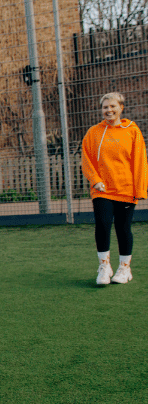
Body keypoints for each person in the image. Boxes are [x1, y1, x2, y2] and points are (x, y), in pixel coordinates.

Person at [81, 92, 147, 286]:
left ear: (121, 108)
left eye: (112, 107)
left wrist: (140, 190)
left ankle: (125, 269)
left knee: (123, 228)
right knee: (102, 224)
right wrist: (95, 180)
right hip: (102, 190)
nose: (108, 110)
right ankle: (104, 267)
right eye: (105, 107)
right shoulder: (93, 132)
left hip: (126, 189)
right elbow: (86, 159)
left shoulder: (132, 131)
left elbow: (140, 161)